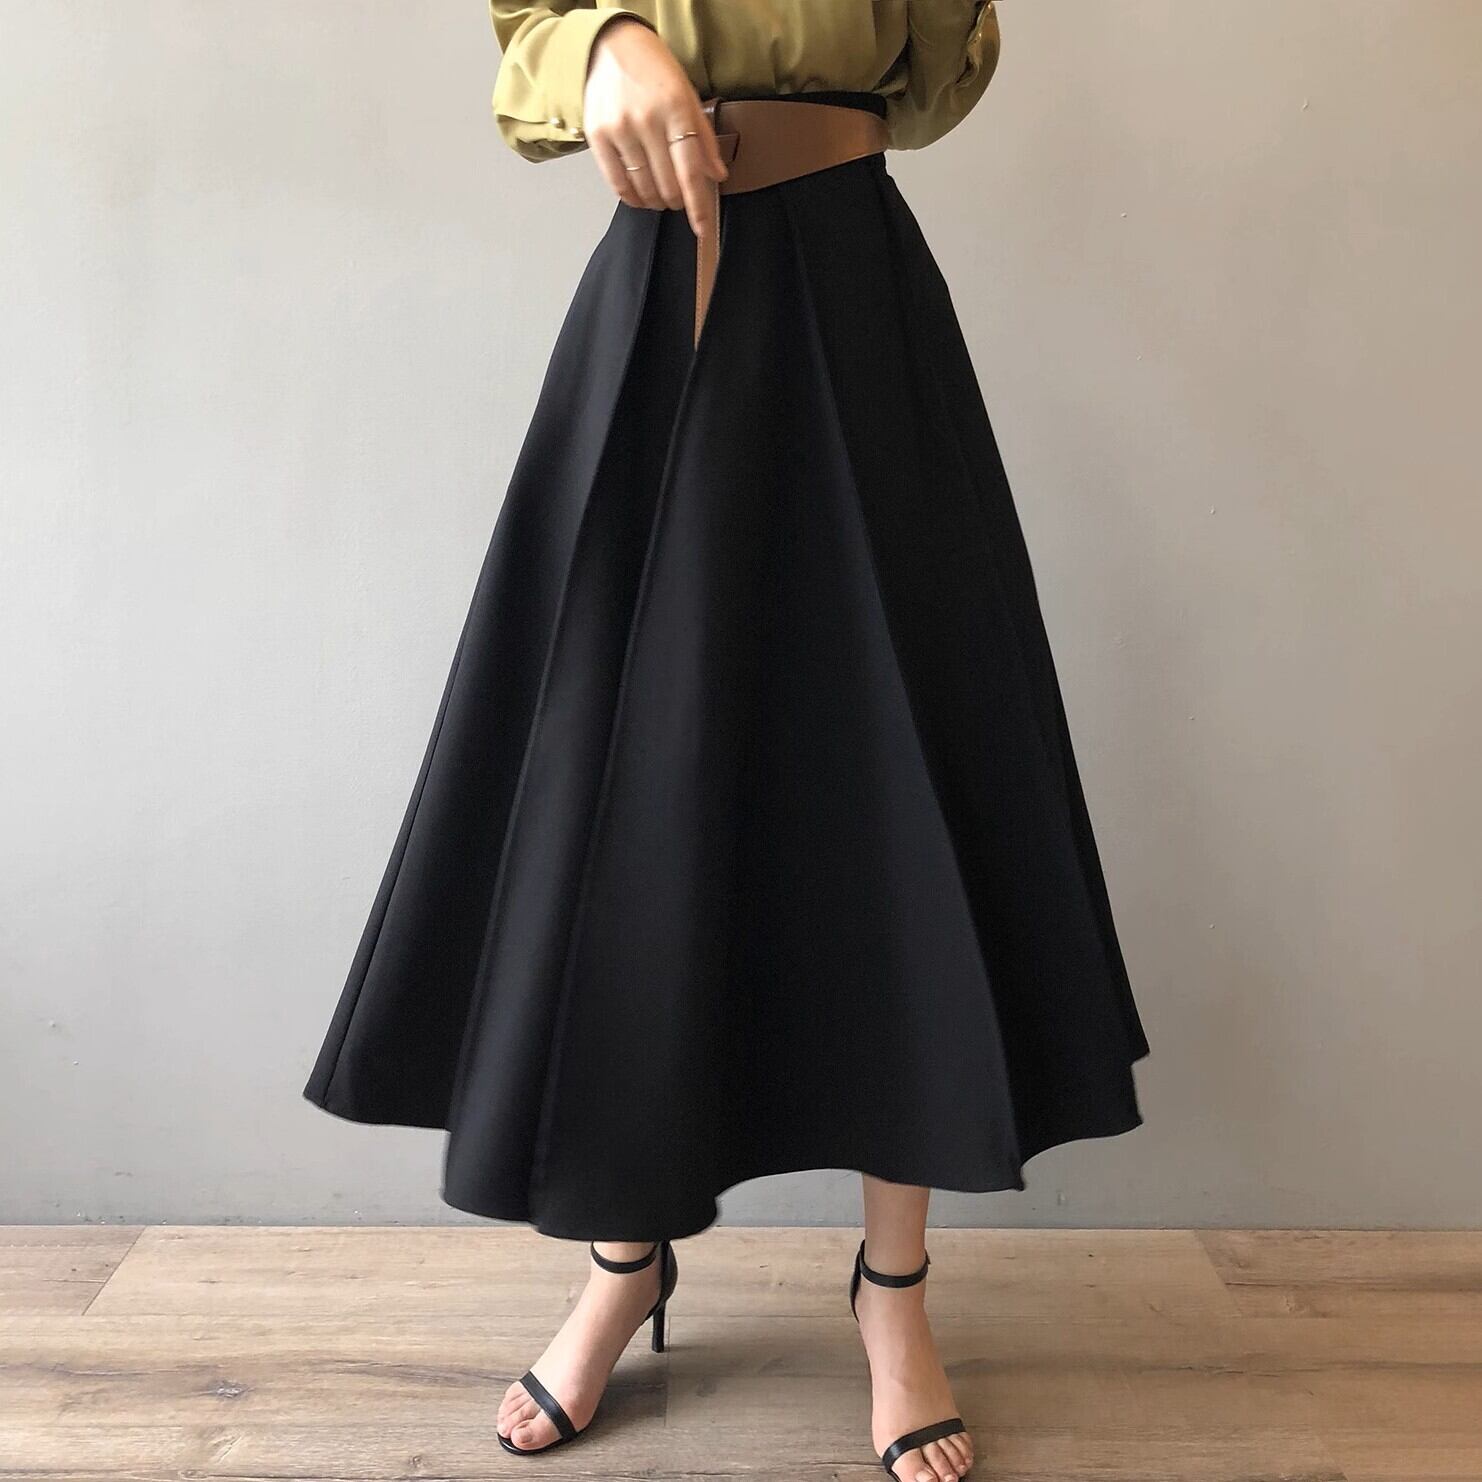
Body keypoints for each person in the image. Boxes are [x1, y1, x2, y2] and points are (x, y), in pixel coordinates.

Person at [303, 5, 1150, 1479]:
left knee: (898, 780)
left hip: (853, 298)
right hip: (660, 295)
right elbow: (527, 33)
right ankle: (623, 1258)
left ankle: (894, 1289)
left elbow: (935, 75)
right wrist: (605, 40)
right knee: (630, 788)